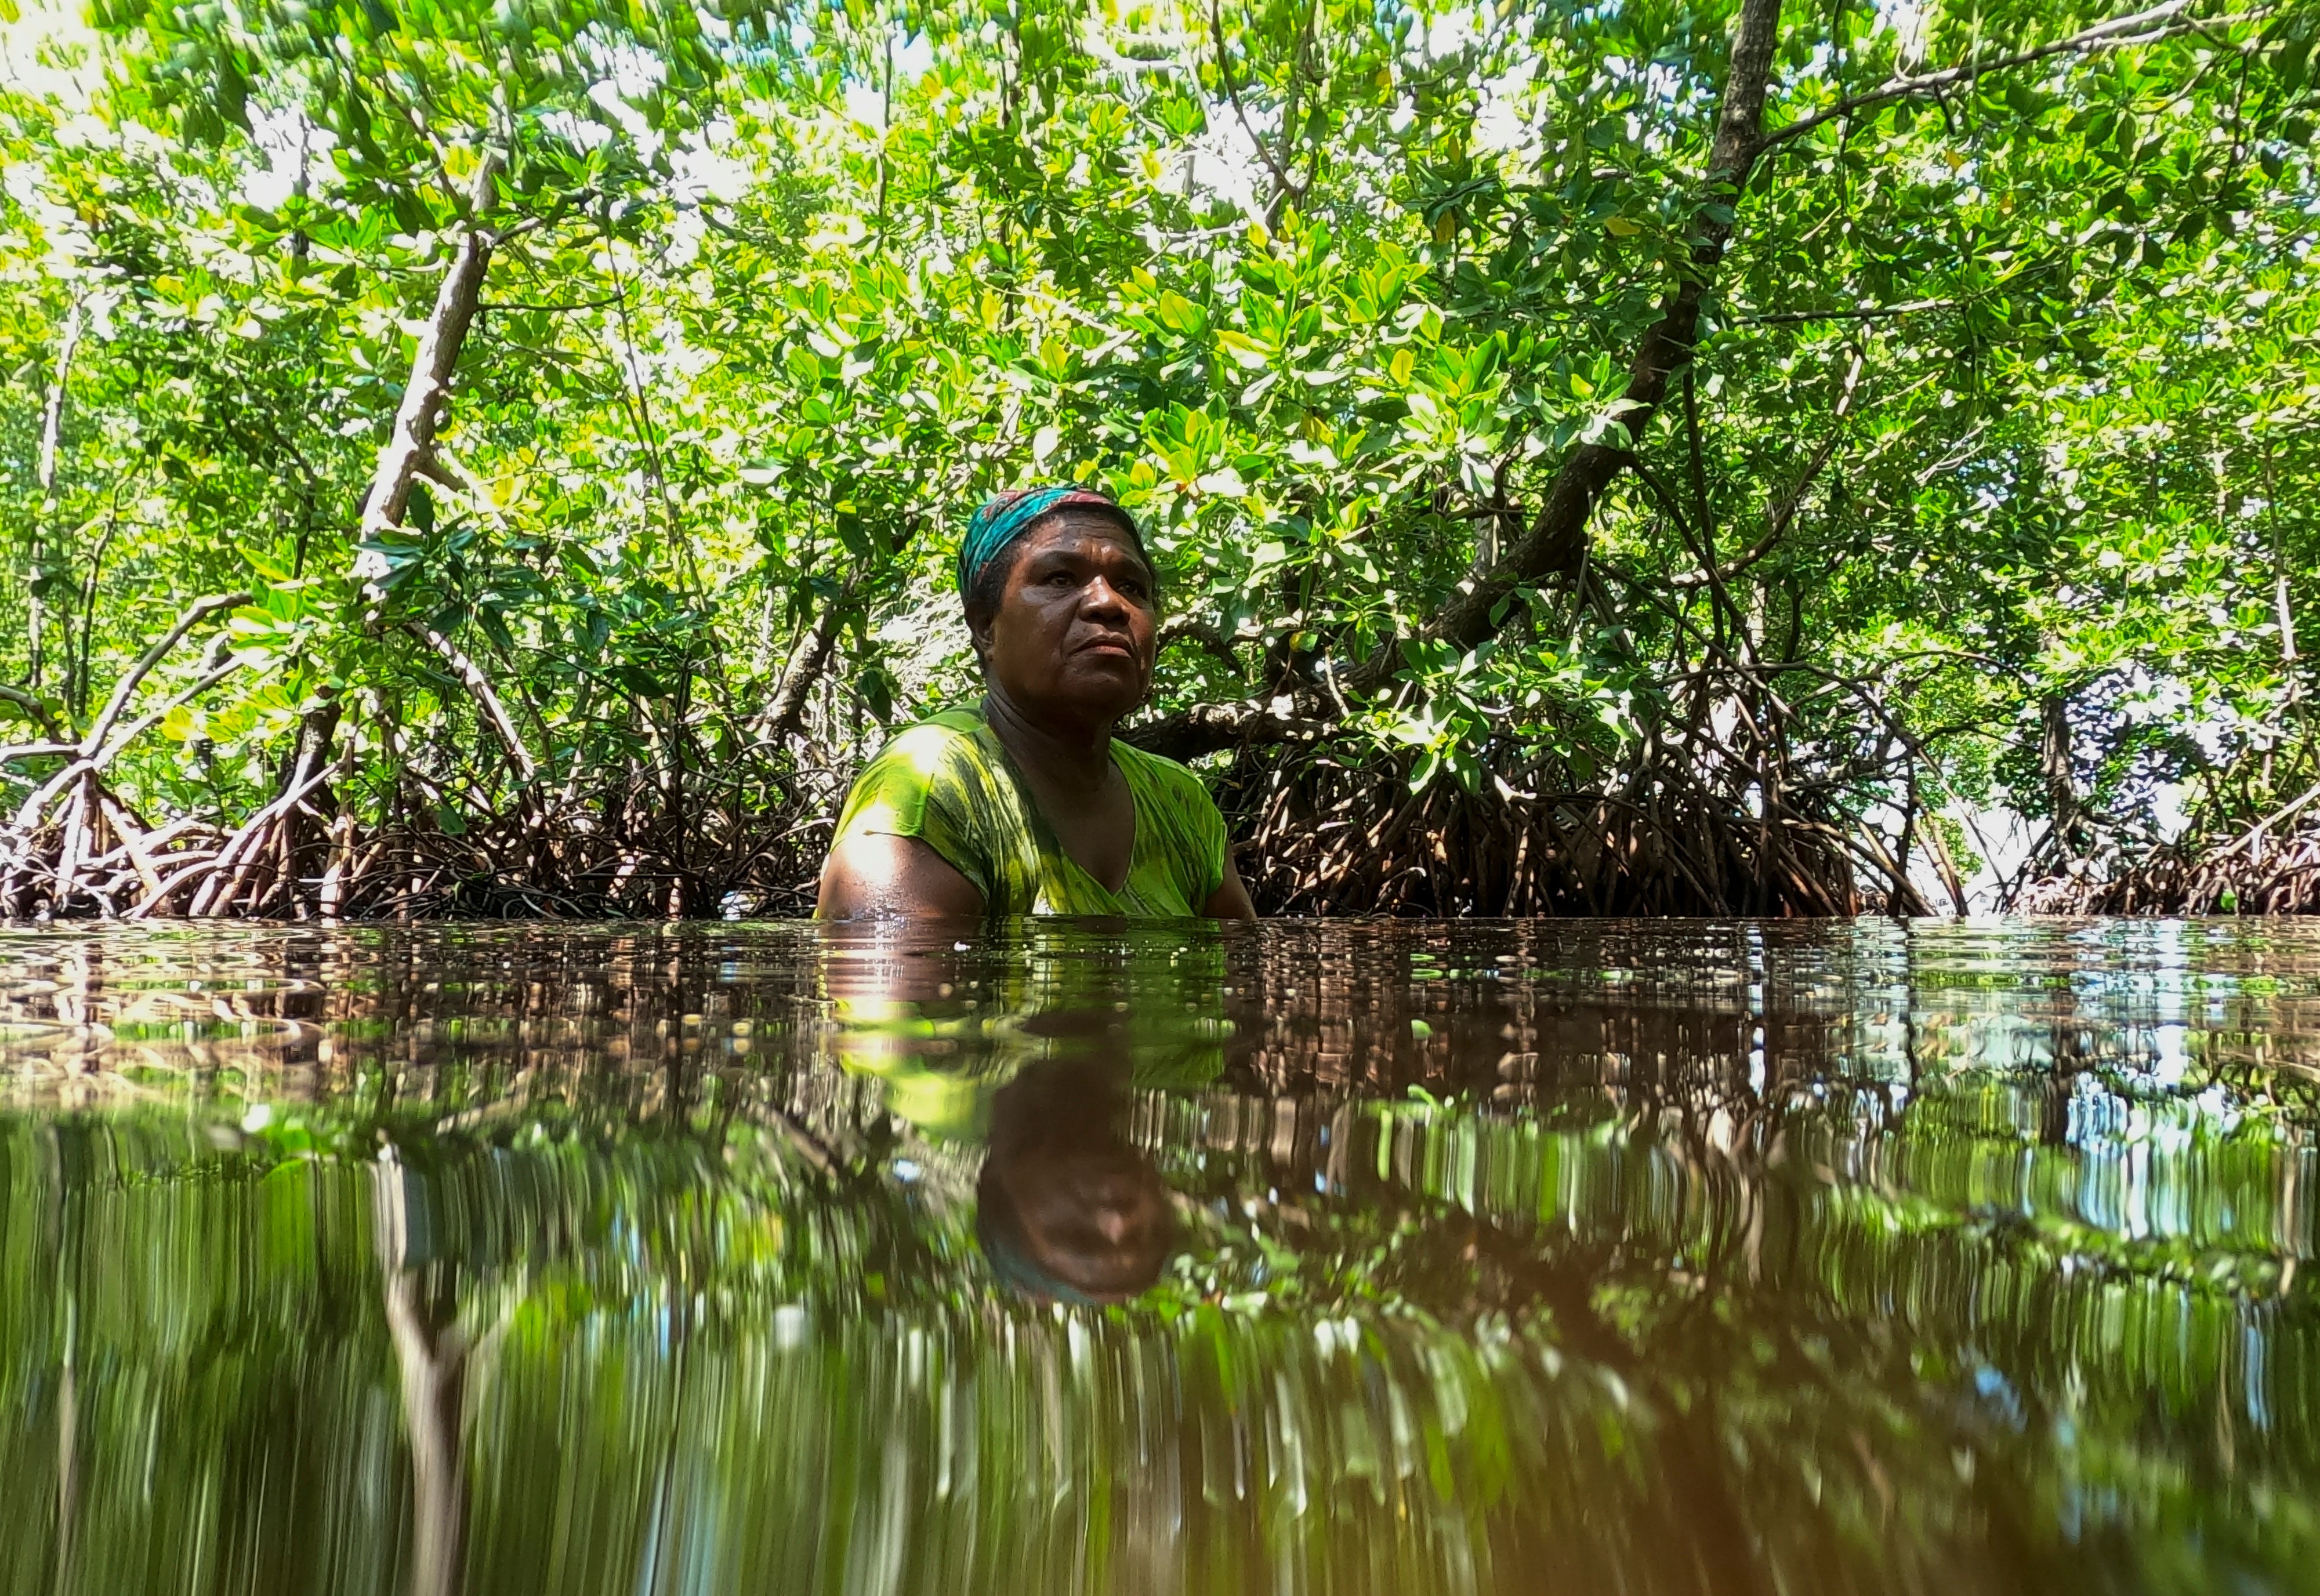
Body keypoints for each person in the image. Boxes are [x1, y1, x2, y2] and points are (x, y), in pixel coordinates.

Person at [817, 484, 1257, 920]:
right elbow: (886, 986)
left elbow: (1244, 983)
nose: (1109, 603)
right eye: (1060, 578)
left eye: (1133, 586)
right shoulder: (929, 786)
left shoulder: (1181, 801)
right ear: (986, 627)